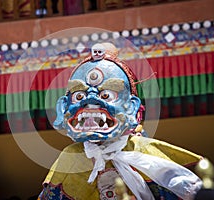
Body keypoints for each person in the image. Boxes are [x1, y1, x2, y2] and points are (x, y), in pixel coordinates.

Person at [38, 42, 203, 199]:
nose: (90, 102)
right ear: (64, 106)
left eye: (106, 95)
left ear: (131, 107)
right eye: (79, 96)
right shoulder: (71, 156)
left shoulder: (144, 151)